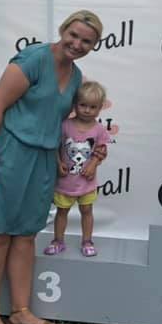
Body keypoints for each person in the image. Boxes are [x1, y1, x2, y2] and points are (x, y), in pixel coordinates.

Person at [0, 10, 104, 324]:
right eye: (73, 35)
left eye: (86, 41)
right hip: (11, 154)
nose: (77, 44)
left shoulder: (76, 76)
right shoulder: (32, 59)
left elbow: (59, 122)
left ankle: (20, 310)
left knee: (27, 234)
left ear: (94, 45)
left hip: (44, 161)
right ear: (63, 30)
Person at [43, 80, 112, 258]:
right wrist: (58, 163)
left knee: (87, 211)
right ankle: (58, 241)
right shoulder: (65, 125)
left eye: (93, 107)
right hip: (65, 183)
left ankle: (87, 241)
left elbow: (101, 151)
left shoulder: (99, 130)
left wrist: (93, 164)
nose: (87, 110)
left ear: (100, 108)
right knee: (61, 212)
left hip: (87, 184)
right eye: (83, 105)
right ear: (75, 104)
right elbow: (54, 146)